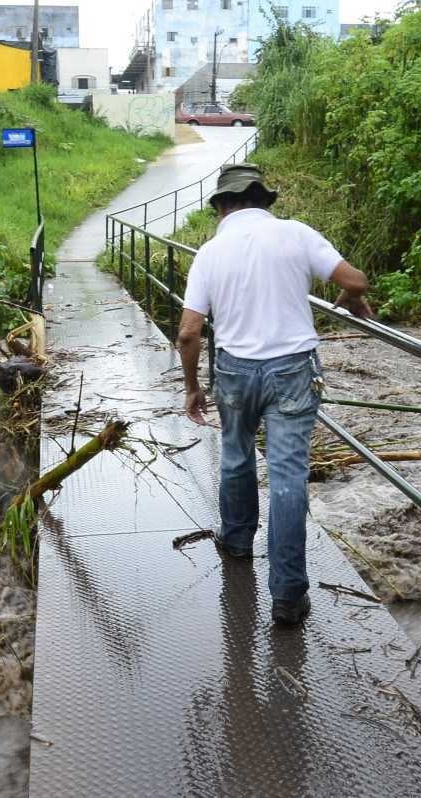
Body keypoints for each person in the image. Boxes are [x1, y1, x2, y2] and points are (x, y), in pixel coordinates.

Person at [176, 163, 374, 626]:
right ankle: (287, 595)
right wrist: (350, 298)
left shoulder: (211, 251)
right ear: (265, 200)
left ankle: (239, 540)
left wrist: (192, 388)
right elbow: (355, 281)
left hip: (234, 371)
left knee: (237, 454)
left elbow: (189, 333)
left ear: (221, 207)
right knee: (287, 478)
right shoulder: (298, 235)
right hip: (293, 370)